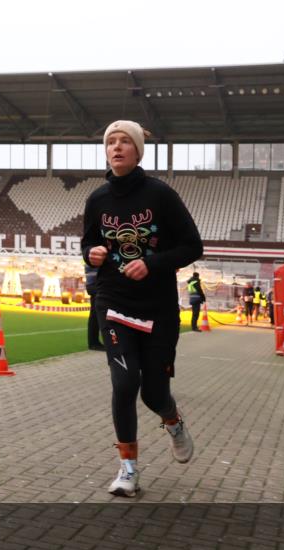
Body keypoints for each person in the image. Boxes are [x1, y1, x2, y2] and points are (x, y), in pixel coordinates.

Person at [82, 120, 203, 498]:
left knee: (153, 394)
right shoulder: (97, 200)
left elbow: (193, 246)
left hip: (158, 308)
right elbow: (88, 244)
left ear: (137, 151)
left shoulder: (160, 195)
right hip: (113, 301)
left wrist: (152, 263)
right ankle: (128, 469)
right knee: (124, 383)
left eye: (124, 142)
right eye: (111, 142)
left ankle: (173, 422)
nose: (116, 147)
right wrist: (91, 252)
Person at [85, 263, 103, 349]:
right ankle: (93, 343)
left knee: (95, 314)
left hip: (93, 283)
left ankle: (94, 342)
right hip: (96, 283)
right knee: (95, 314)